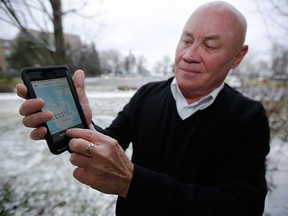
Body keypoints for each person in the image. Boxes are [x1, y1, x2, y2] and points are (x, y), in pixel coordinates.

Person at [17, 1, 270, 215]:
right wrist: (83, 124)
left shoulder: (248, 118)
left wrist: (132, 182)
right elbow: (112, 140)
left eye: (210, 45)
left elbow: (241, 206)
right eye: (187, 40)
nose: (189, 55)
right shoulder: (147, 94)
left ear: (238, 56)